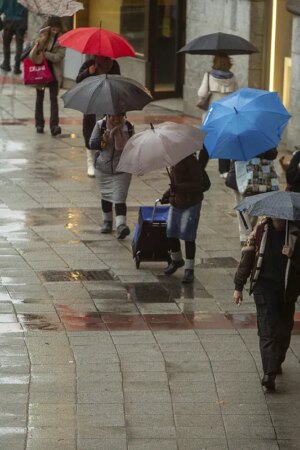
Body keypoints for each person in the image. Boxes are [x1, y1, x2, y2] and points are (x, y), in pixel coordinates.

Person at [233, 217, 300, 391]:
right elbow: (247, 258)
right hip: (264, 286)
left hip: (287, 290)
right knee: (267, 329)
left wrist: (293, 255)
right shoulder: (259, 231)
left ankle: (276, 361)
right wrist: (238, 286)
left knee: (284, 329)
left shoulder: (295, 232)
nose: (277, 219)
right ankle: (269, 373)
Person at [161, 151, 209, 284]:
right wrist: (167, 194)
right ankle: (176, 260)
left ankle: (189, 269)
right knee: (170, 231)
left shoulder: (191, 161)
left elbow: (198, 185)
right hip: (176, 202)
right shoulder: (174, 161)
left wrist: (178, 188)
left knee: (188, 236)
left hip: (191, 203)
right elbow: (174, 184)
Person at [89, 113, 134, 239]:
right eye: (113, 116)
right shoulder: (101, 125)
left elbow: (134, 146)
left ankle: (121, 225)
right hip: (103, 168)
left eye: (119, 116)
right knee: (106, 194)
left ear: (124, 115)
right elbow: (92, 144)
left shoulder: (128, 127)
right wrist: (103, 139)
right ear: (108, 115)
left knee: (120, 196)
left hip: (122, 168)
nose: (116, 119)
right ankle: (107, 221)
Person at [76, 55, 121, 177]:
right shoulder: (90, 64)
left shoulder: (114, 65)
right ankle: (90, 162)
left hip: (108, 101)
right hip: (91, 102)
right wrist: (88, 72)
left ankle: (103, 160)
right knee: (90, 130)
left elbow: (118, 82)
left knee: (107, 130)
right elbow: (78, 80)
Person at [225, 148, 278, 246]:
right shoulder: (261, 134)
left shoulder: (241, 134)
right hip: (244, 178)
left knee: (250, 215)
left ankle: (249, 241)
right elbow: (272, 154)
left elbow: (272, 154)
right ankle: (246, 245)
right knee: (245, 216)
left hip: (255, 178)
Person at [197, 53, 238, 178]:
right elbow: (236, 95)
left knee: (207, 141)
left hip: (212, 114)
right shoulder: (232, 77)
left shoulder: (209, 75)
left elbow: (202, 92)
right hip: (227, 114)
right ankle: (224, 170)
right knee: (224, 141)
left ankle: (200, 167)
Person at [29, 17, 65, 136]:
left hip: (54, 74)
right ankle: (39, 124)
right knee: (39, 99)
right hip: (41, 71)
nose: (55, 31)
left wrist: (45, 54)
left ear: (60, 28)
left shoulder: (63, 39)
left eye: (57, 29)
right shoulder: (43, 34)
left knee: (53, 100)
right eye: (53, 28)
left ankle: (54, 126)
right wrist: (40, 39)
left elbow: (58, 57)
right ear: (49, 27)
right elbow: (34, 47)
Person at [0, 0, 28, 74]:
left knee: (6, 44)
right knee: (19, 45)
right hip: (21, 22)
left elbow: (0, 9)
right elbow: (28, 7)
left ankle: (6, 64)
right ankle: (17, 68)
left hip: (8, 22)